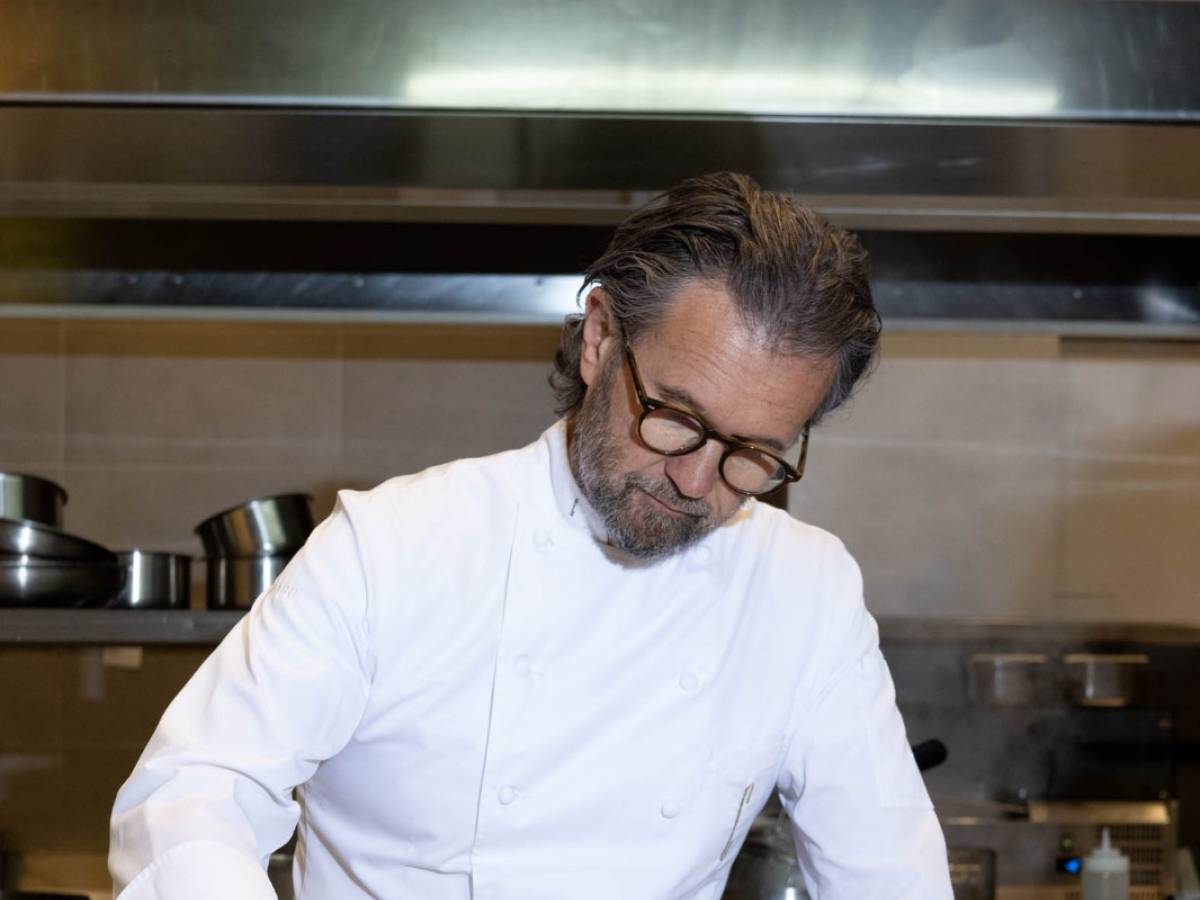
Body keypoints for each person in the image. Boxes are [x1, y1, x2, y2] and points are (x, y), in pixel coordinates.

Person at [109, 172, 951, 899]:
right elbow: (196, 791)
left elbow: (890, 873)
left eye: (753, 455)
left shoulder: (805, 589)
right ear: (599, 338)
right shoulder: (395, 547)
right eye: (677, 420)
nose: (698, 482)